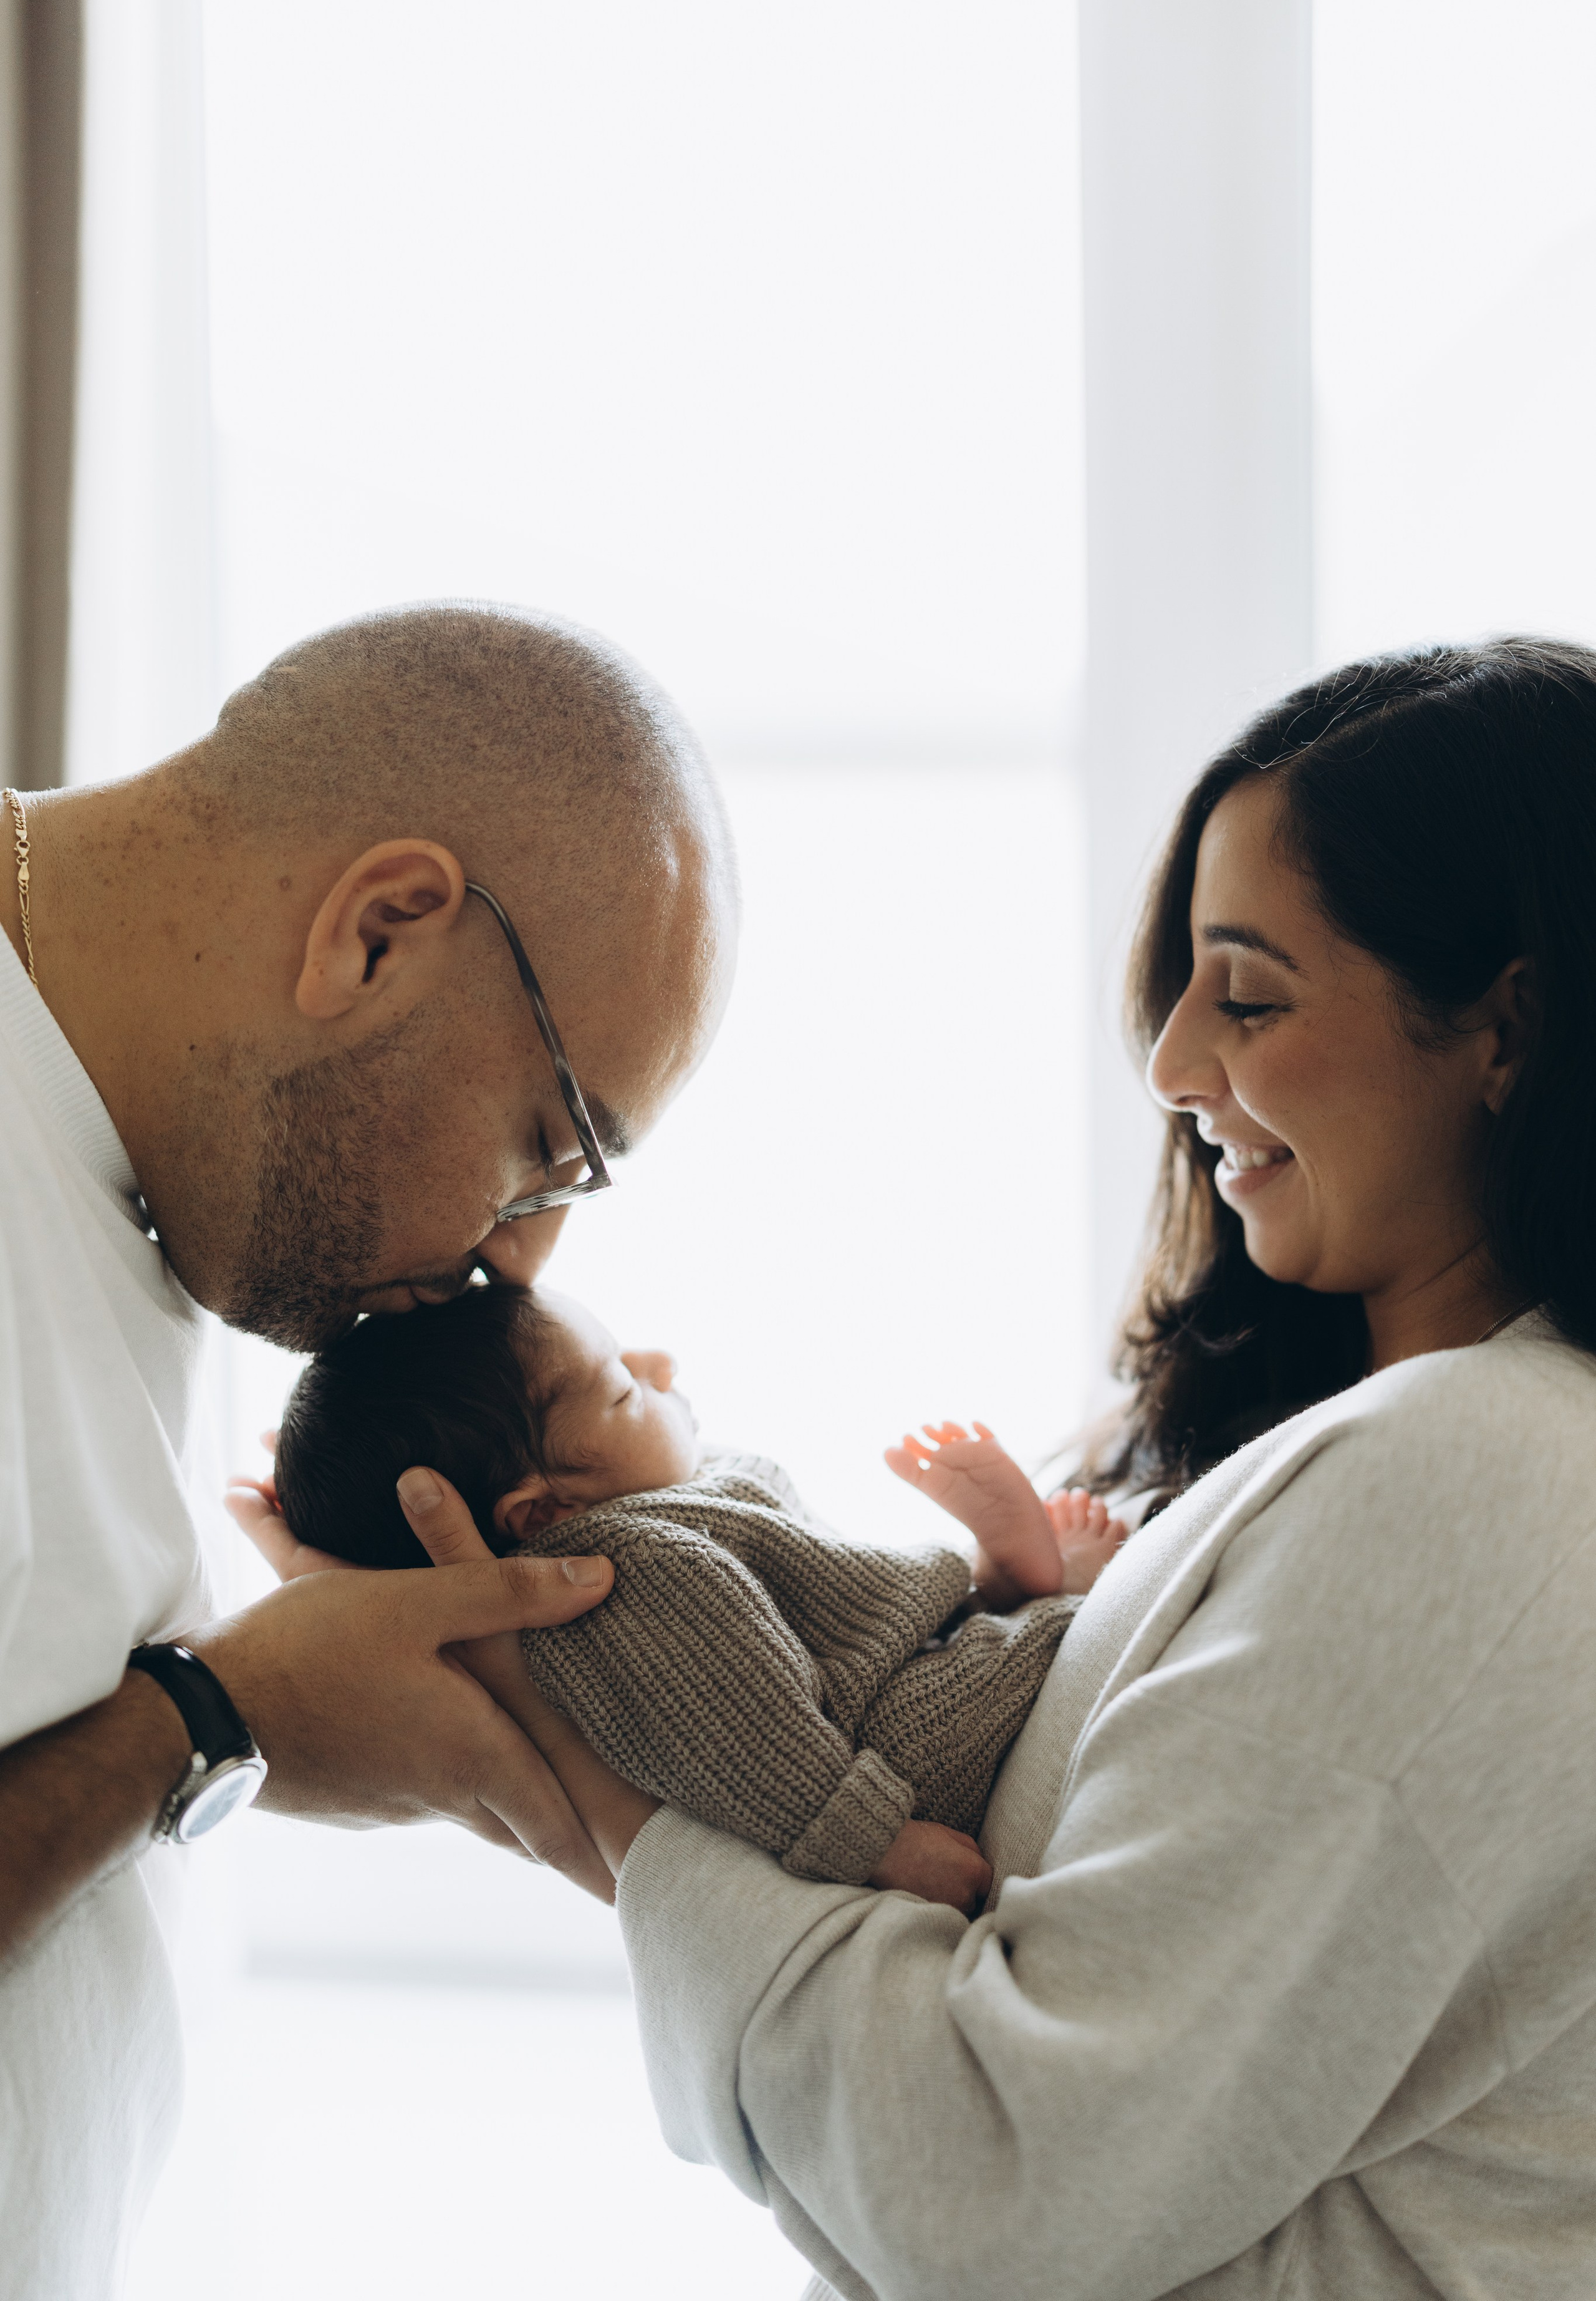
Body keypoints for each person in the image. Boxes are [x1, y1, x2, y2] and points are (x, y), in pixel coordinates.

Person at [234, 634, 1596, 2300]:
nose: (1170, 1064)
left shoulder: (1487, 1480)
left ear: (1507, 1035)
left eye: (1248, 994)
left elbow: (992, 2191)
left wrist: (556, 1762)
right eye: (1178, 989)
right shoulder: (1345, 1463)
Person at [0, 602, 737, 2300]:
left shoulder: (167, 1187)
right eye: (547, 1150)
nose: (526, 1261)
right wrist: (211, 1717)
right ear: (382, 933)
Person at [265, 1281, 1125, 1911]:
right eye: (621, 1389)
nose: (659, 1365)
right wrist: (878, 1844)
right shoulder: (627, 1574)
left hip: (890, 1667)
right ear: (543, 1512)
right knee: (1063, 1644)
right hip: (893, 1751)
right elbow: (738, 1730)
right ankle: (1032, 1600)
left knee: (966, 1636)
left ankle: (995, 1585)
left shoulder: (650, 1509)